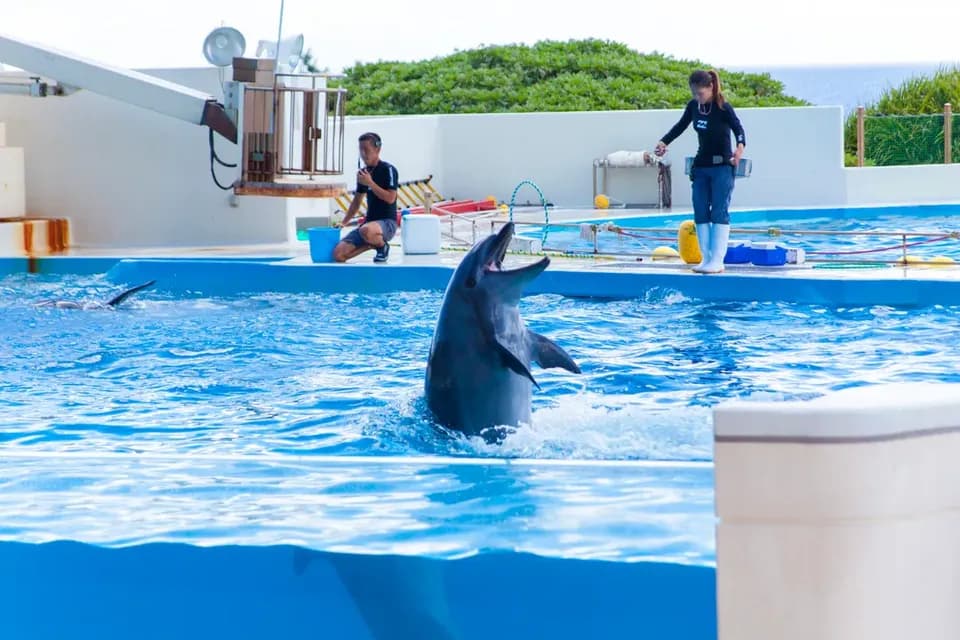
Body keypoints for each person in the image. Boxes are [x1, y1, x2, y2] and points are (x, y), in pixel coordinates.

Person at [655, 70, 746, 274]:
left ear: (711, 87)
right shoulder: (693, 106)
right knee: (700, 211)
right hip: (701, 167)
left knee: (719, 211)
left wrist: (740, 147)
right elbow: (680, 126)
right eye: (695, 93)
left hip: (722, 167)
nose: (698, 97)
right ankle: (706, 258)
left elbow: (738, 129)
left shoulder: (723, 107)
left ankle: (717, 260)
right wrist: (664, 141)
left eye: (701, 93)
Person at [333, 132, 399, 263]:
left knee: (367, 230)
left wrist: (371, 183)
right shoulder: (363, 173)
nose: (363, 154)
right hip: (368, 225)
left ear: (377, 149)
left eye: (366, 150)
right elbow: (357, 201)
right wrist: (344, 222)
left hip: (387, 223)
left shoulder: (388, 169)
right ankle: (371, 244)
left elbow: (391, 198)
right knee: (338, 255)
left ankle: (382, 246)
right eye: (361, 150)